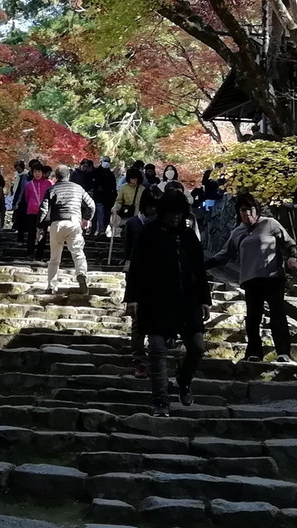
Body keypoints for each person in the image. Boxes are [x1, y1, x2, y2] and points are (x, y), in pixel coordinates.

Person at [125, 190, 211, 417]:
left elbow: (199, 270)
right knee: (157, 350)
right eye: (171, 212)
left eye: (179, 212)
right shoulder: (149, 233)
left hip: (188, 301)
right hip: (155, 301)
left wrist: (205, 299)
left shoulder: (189, 236)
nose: (175, 216)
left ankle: (183, 380)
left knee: (197, 348)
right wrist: (132, 298)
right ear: (163, 211)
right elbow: (136, 268)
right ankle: (160, 401)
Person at [209, 192, 297, 363]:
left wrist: (292, 257)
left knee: (277, 315)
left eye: (250, 209)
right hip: (250, 280)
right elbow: (223, 255)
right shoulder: (237, 233)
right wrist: (200, 266)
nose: (247, 213)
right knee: (253, 318)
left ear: (256, 209)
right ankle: (254, 353)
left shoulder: (270, 224)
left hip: (273, 277)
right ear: (238, 212)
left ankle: (283, 352)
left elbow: (289, 242)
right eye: (243, 210)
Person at [38, 165, 95, 294]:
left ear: (56, 177)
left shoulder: (52, 189)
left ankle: (51, 286)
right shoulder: (78, 188)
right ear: (68, 176)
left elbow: (43, 209)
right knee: (78, 253)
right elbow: (91, 205)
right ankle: (81, 273)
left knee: (54, 258)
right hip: (74, 221)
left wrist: (40, 227)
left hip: (57, 222)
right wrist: (86, 219)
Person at [121, 195, 158, 378]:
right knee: (137, 320)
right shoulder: (133, 223)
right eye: (149, 206)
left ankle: (155, 357)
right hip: (137, 272)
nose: (152, 210)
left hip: (158, 274)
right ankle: (140, 360)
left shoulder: (161, 225)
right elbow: (127, 247)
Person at [22, 162, 52, 258]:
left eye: (39, 171)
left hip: (43, 212)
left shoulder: (48, 184)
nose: (37, 174)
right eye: (35, 172)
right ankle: (29, 252)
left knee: (42, 234)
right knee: (31, 233)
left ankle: (39, 255)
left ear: (42, 172)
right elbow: (27, 197)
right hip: (32, 211)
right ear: (32, 172)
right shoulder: (29, 185)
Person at [90, 157, 117, 236]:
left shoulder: (111, 174)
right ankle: (98, 230)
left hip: (108, 199)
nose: (106, 162)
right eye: (105, 161)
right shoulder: (95, 172)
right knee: (99, 213)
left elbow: (113, 187)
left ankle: (103, 230)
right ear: (101, 162)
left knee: (106, 215)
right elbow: (93, 183)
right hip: (98, 197)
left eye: (108, 161)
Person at [10, 160, 30, 239]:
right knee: (16, 212)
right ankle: (16, 226)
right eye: (16, 168)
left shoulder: (25, 175)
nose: (18, 170)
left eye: (19, 168)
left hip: (22, 197)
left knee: (20, 213)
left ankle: (20, 228)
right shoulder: (17, 175)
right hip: (16, 194)